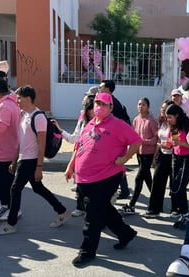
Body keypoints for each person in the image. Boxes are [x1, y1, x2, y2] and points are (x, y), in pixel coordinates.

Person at [64, 92, 141, 267]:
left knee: (92, 214)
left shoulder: (118, 125)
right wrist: (70, 166)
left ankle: (87, 251)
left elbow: (136, 141)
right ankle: (125, 233)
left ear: (111, 107)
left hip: (106, 175)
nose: (99, 107)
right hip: (84, 177)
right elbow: (79, 146)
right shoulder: (90, 123)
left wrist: (124, 159)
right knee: (100, 208)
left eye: (104, 104)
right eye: (97, 103)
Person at [0, 85, 71, 235]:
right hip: (23, 158)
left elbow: (42, 144)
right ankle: (62, 211)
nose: (17, 101)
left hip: (31, 160)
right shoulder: (24, 115)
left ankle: (11, 224)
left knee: (15, 189)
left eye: (19, 98)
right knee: (38, 188)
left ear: (27, 98)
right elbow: (21, 141)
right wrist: (14, 161)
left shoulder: (38, 117)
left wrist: (39, 167)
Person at [52, 94, 95, 217]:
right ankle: (80, 207)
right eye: (90, 108)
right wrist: (60, 130)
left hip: (96, 163)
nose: (92, 111)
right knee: (81, 186)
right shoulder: (82, 123)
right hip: (82, 161)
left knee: (94, 191)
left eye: (94, 108)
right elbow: (74, 139)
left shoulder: (103, 124)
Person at [0, 78, 21, 220]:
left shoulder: (5, 106)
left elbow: (0, 128)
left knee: (2, 181)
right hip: (5, 150)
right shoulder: (11, 101)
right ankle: (6, 204)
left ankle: (14, 209)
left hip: (4, 152)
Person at [120, 98, 158, 215]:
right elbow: (133, 135)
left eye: (144, 105)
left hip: (148, 153)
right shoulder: (136, 119)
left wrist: (142, 141)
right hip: (139, 153)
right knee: (147, 178)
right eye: (139, 104)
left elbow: (155, 139)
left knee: (139, 178)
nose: (141, 107)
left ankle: (131, 204)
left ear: (148, 107)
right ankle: (156, 201)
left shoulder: (151, 120)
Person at [98, 79, 131, 199]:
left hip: (116, 140)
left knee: (116, 165)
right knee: (115, 165)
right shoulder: (110, 102)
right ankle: (122, 189)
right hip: (114, 139)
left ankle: (123, 190)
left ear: (107, 89)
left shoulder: (113, 104)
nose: (99, 89)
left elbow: (115, 124)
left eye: (100, 87)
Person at [165, 104, 189, 222]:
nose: (168, 120)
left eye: (170, 117)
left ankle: (185, 212)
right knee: (174, 186)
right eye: (167, 118)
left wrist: (181, 143)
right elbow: (172, 142)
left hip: (188, 159)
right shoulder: (173, 127)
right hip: (176, 157)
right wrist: (165, 144)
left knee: (180, 185)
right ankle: (180, 210)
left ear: (177, 116)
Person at [143, 100, 174, 217]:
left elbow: (174, 142)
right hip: (162, 154)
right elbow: (159, 141)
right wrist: (155, 156)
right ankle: (154, 209)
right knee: (157, 182)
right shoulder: (161, 123)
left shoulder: (174, 124)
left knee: (173, 185)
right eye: (162, 108)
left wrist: (164, 145)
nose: (162, 110)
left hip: (173, 156)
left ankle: (176, 209)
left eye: (165, 108)